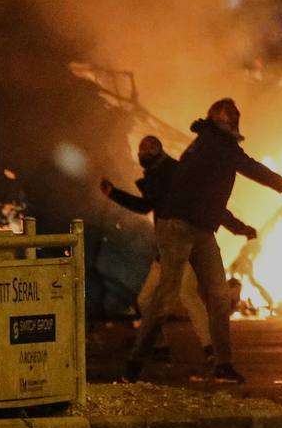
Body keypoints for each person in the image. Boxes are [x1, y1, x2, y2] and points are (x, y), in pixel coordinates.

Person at [125, 98, 282, 384]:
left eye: (235, 112)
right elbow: (250, 167)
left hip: (201, 230)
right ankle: (133, 366)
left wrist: (239, 227)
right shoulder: (215, 144)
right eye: (227, 112)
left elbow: (213, 201)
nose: (234, 116)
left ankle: (222, 365)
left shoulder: (216, 144)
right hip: (178, 227)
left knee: (219, 296)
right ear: (215, 117)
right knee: (166, 296)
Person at [100, 135, 257, 361]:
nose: (143, 154)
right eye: (142, 151)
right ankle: (162, 346)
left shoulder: (170, 175)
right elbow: (150, 205)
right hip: (168, 248)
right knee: (149, 299)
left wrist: (238, 227)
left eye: (148, 150)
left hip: (184, 244)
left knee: (184, 294)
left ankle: (210, 348)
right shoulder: (158, 175)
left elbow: (205, 204)